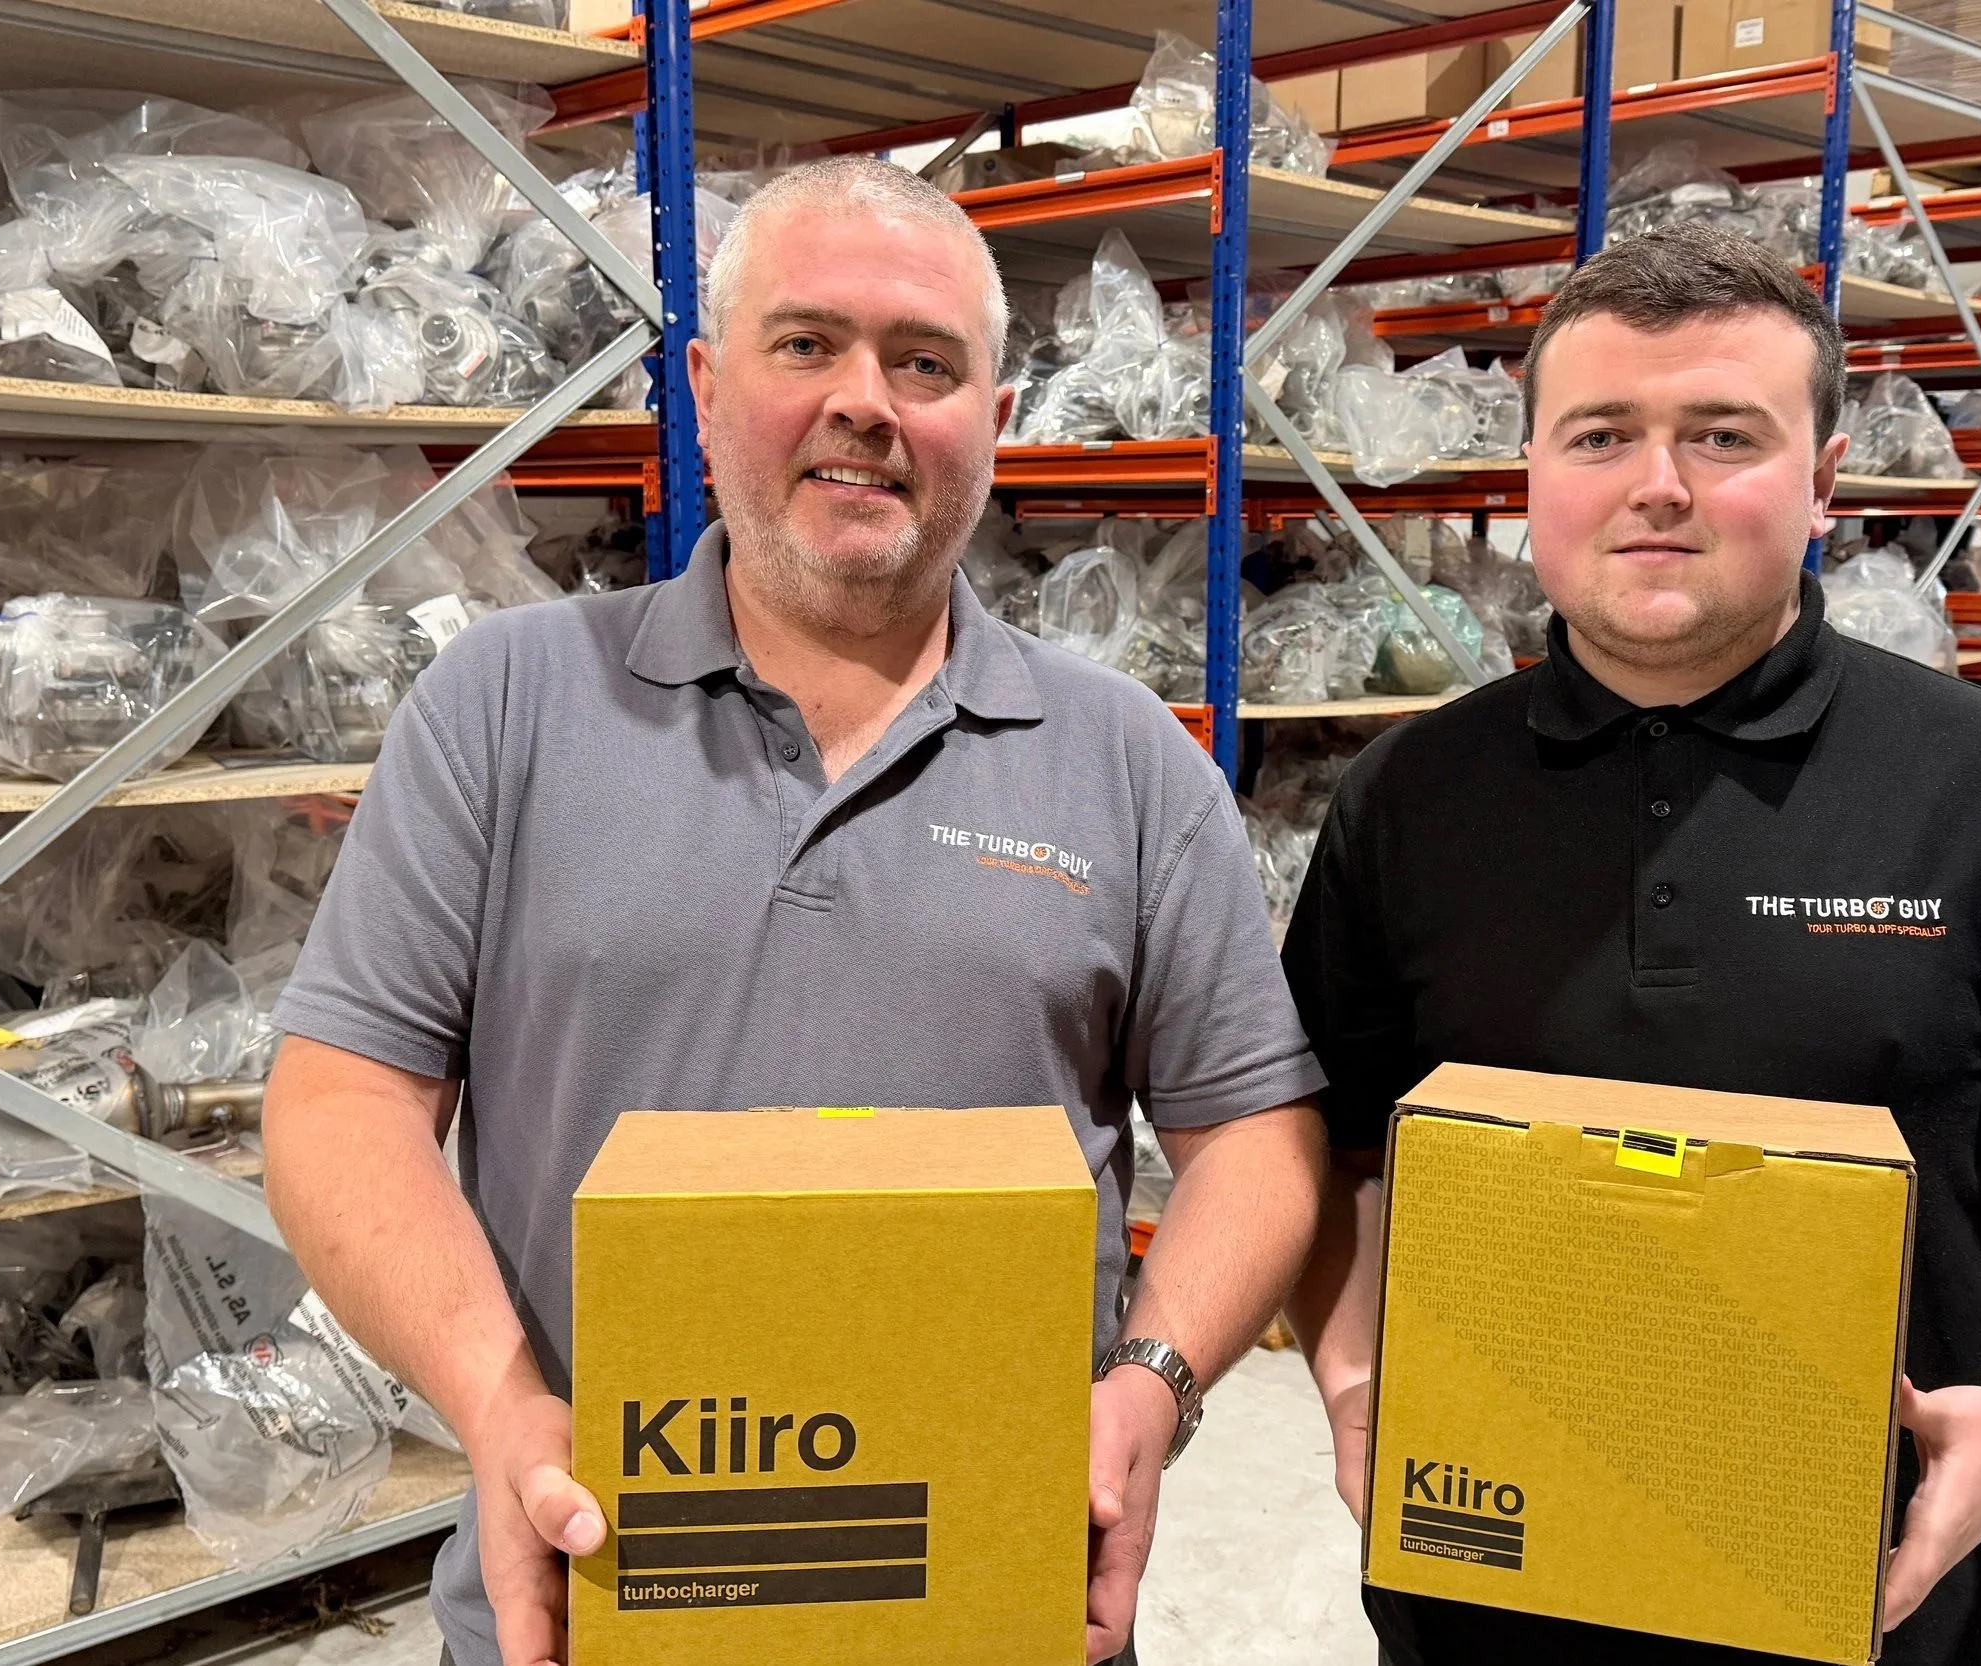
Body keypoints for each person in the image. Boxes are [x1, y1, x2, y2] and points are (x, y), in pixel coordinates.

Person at [262, 156, 1327, 1666]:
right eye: (807, 343)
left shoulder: (1130, 760)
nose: (865, 403)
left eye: (926, 363)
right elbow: (340, 1102)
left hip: (992, 1603)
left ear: (995, 420)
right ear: (706, 390)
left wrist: (1151, 1381)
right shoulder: (503, 707)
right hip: (597, 1602)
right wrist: (497, 1402)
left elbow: (1256, 1138)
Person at [1282, 222, 1981, 1665]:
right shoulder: (1408, 796)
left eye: (1723, 435)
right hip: (1488, 1593)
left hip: (1862, 1602)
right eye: (1601, 434)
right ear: (1533, 473)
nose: (1657, 484)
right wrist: (1353, 1376)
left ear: (1823, 481)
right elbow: (1331, 1151)